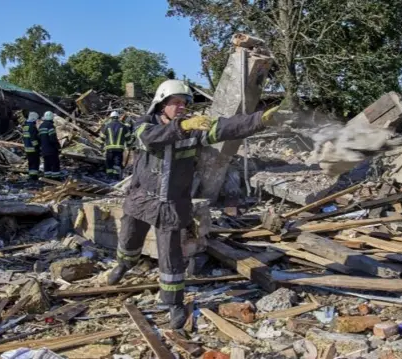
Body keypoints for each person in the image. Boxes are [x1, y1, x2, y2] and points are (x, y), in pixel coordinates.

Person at [106, 79, 287, 329]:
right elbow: (150, 139)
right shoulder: (143, 124)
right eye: (175, 103)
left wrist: (260, 120)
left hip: (171, 203)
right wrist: (183, 126)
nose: (181, 107)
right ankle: (124, 265)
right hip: (141, 198)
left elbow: (225, 128)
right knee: (129, 238)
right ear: (161, 104)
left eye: (184, 103)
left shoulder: (193, 130)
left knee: (171, 256)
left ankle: (173, 303)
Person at [100, 111, 132, 180]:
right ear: (118, 118)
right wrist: (129, 146)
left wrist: (101, 146)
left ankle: (109, 177)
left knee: (109, 163)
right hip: (119, 149)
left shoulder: (107, 126)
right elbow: (128, 138)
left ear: (111, 118)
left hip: (109, 149)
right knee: (117, 163)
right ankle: (116, 177)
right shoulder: (123, 126)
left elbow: (102, 137)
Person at [39, 111, 62, 178]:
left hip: (44, 150)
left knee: (47, 164)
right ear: (52, 118)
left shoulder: (41, 126)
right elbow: (52, 139)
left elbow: (39, 138)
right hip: (51, 149)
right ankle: (56, 178)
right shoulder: (50, 126)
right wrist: (58, 146)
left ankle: (47, 178)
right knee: (55, 163)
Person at [22, 112, 41, 181]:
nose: (36, 121)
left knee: (30, 162)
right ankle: (34, 177)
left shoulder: (25, 126)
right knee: (35, 162)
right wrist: (37, 146)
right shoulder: (32, 126)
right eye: (36, 119)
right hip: (33, 148)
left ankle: (31, 175)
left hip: (27, 148)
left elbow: (24, 137)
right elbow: (33, 138)